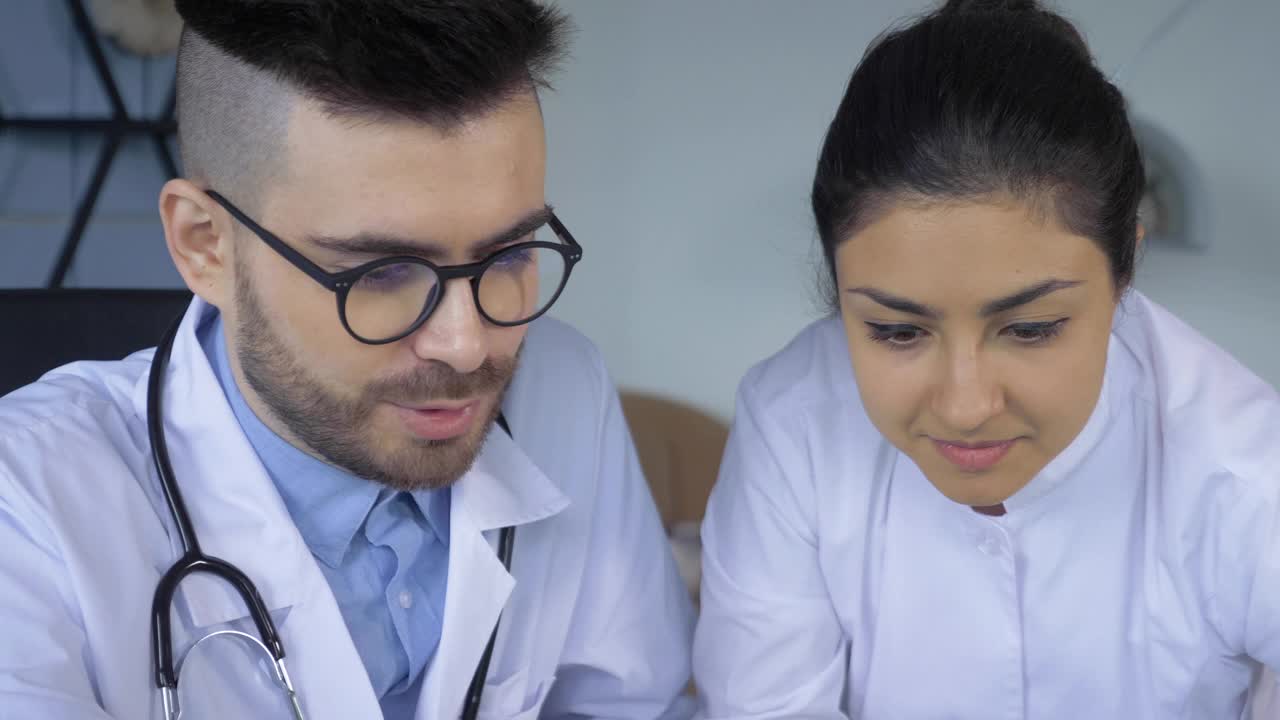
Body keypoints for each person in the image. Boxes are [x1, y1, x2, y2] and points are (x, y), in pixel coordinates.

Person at [0, 2, 695, 718]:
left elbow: (633, 706)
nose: (467, 345)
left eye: (511, 253)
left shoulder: (561, 389)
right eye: (383, 273)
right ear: (205, 243)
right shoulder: (25, 506)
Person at [692, 0, 1280, 717]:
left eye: (1030, 329)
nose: (966, 407)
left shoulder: (1247, 473)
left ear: (1125, 269)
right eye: (898, 332)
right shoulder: (793, 425)